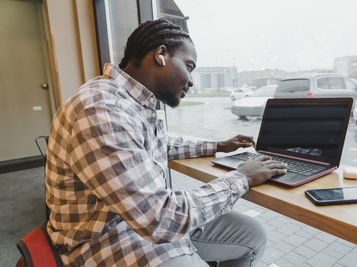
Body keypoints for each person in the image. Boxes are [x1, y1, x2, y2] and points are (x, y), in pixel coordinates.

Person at [45, 19, 287, 267]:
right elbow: (161, 219)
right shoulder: (102, 110)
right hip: (105, 239)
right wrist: (242, 178)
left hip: (140, 221)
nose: (191, 81)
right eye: (189, 66)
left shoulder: (130, 101)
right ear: (161, 54)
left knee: (253, 236)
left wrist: (218, 145)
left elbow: (161, 144)